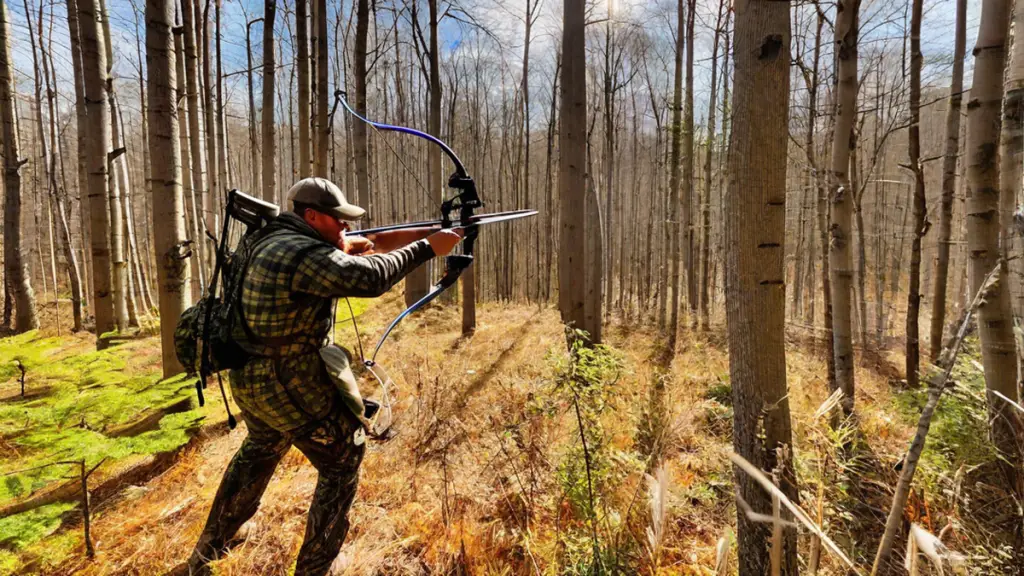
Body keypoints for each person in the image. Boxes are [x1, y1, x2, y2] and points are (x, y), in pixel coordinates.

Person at [175, 177, 462, 576]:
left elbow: (358, 253)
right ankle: (314, 567)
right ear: (312, 216)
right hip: (285, 383)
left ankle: (209, 547)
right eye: (338, 220)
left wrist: (407, 238)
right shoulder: (299, 253)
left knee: (259, 450)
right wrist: (430, 248)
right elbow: (370, 278)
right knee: (344, 457)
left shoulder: (266, 237)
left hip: (248, 377)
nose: (345, 227)